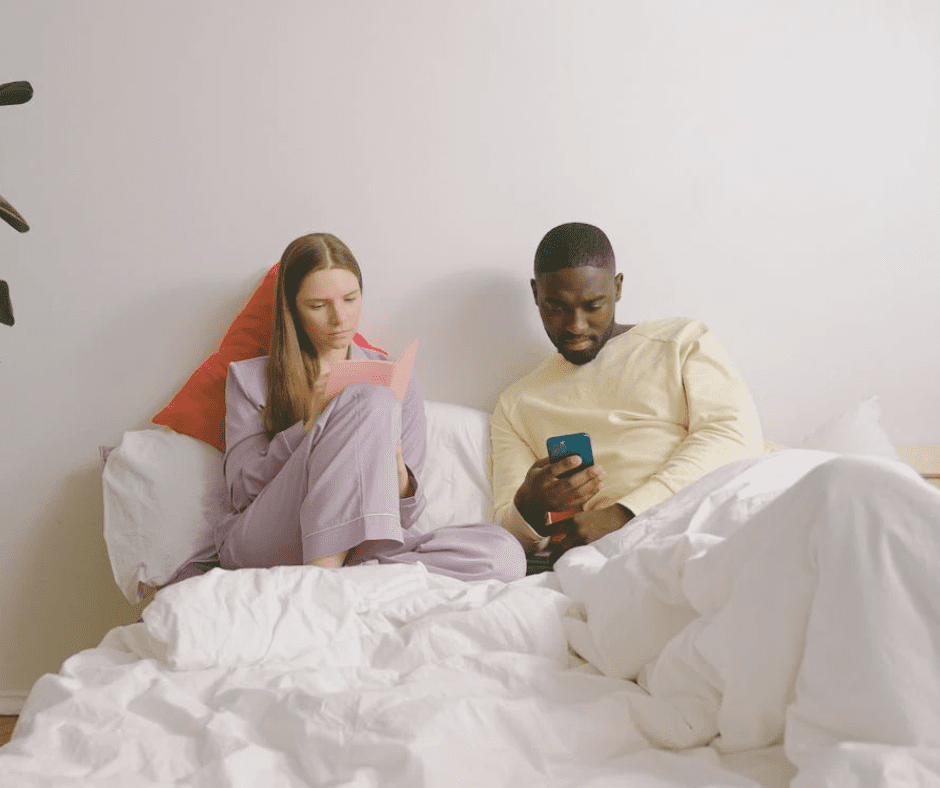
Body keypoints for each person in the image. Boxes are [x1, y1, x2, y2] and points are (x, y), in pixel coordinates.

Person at [215, 232, 525, 582]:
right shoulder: (248, 378)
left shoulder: (396, 378)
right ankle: (323, 585)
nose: (340, 318)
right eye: (318, 306)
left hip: (362, 543)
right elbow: (242, 494)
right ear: (292, 309)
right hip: (269, 538)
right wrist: (306, 427)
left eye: (350, 298)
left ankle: (351, 576)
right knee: (369, 397)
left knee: (505, 556)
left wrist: (399, 476)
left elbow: (401, 518)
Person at [490, 222, 764, 565]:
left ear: (617, 288)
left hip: (708, 520)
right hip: (607, 559)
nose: (576, 326)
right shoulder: (517, 404)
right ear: (535, 294)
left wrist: (624, 514)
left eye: (593, 306)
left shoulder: (681, 341)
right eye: (556, 307)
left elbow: (736, 436)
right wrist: (529, 506)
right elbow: (504, 536)